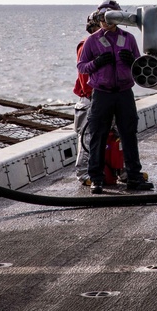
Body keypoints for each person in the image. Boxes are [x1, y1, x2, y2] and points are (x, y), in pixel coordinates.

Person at [76, 0, 153, 194]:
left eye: (109, 18)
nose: (106, 22)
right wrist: (97, 63)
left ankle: (134, 177)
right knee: (98, 136)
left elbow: (140, 65)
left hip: (124, 93)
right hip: (102, 94)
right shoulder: (92, 41)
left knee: (128, 135)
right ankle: (96, 179)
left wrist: (133, 61)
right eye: (102, 18)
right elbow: (82, 66)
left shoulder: (128, 39)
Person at [72, 11, 101, 185]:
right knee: (86, 137)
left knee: (114, 134)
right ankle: (83, 174)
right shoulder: (86, 46)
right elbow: (84, 78)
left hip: (104, 96)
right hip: (90, 99)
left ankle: (119, 170)